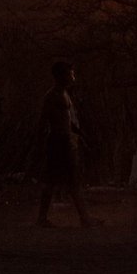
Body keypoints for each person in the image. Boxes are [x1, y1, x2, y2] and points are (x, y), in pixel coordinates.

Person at [36, 60, 100, 228]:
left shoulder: (64, 94)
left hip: (65, 141)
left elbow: (70, 122)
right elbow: (43, 121)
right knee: (59, 180)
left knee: (67, 180)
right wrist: (42, 144)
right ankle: (83, 218)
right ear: (60, 76)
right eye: (69, 73)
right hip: (58, 142)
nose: (73, 76)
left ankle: (82, 217)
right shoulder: (52, 96)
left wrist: (80, 137)